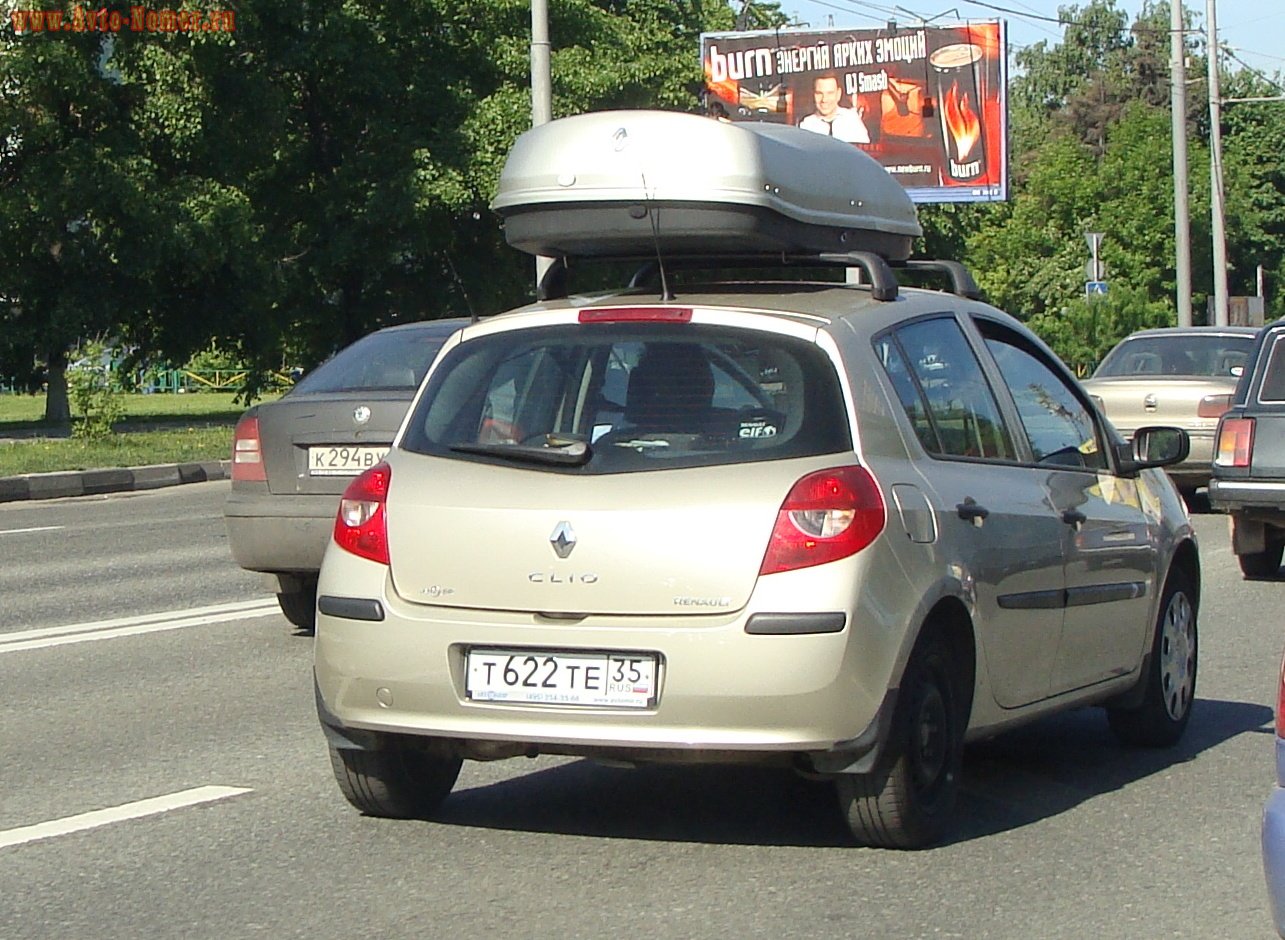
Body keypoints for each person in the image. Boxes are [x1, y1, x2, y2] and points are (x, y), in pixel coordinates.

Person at [797, 73, 869, 143]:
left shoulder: (852, 119)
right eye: (819, 93)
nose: (824, 99)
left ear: (838, 94)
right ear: (813, 95)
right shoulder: (806, 126)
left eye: (830, 93)